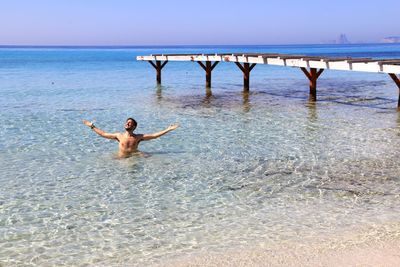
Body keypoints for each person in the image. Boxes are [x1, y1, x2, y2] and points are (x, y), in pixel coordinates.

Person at [83, 118, 179, 158]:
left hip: (135, 155)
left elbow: (154, 135)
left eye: (130, 123)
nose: (127, 124)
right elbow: (103, 134)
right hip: (121, 156)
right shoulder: (119, 136)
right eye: (127, 122)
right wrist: (91, 126)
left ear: (134, 127)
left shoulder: (138, 137)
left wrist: (168, 129)